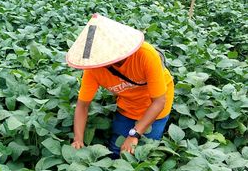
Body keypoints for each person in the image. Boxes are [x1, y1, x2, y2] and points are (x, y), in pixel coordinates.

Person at [66, 13, 174, 158]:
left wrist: (135, 134)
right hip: (128, 106)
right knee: (116, 150)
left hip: (156, 106)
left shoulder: (146, 55)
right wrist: (78, 140)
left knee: (146, 151)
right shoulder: (93, 69)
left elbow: (159, 101)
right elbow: (82, 105)